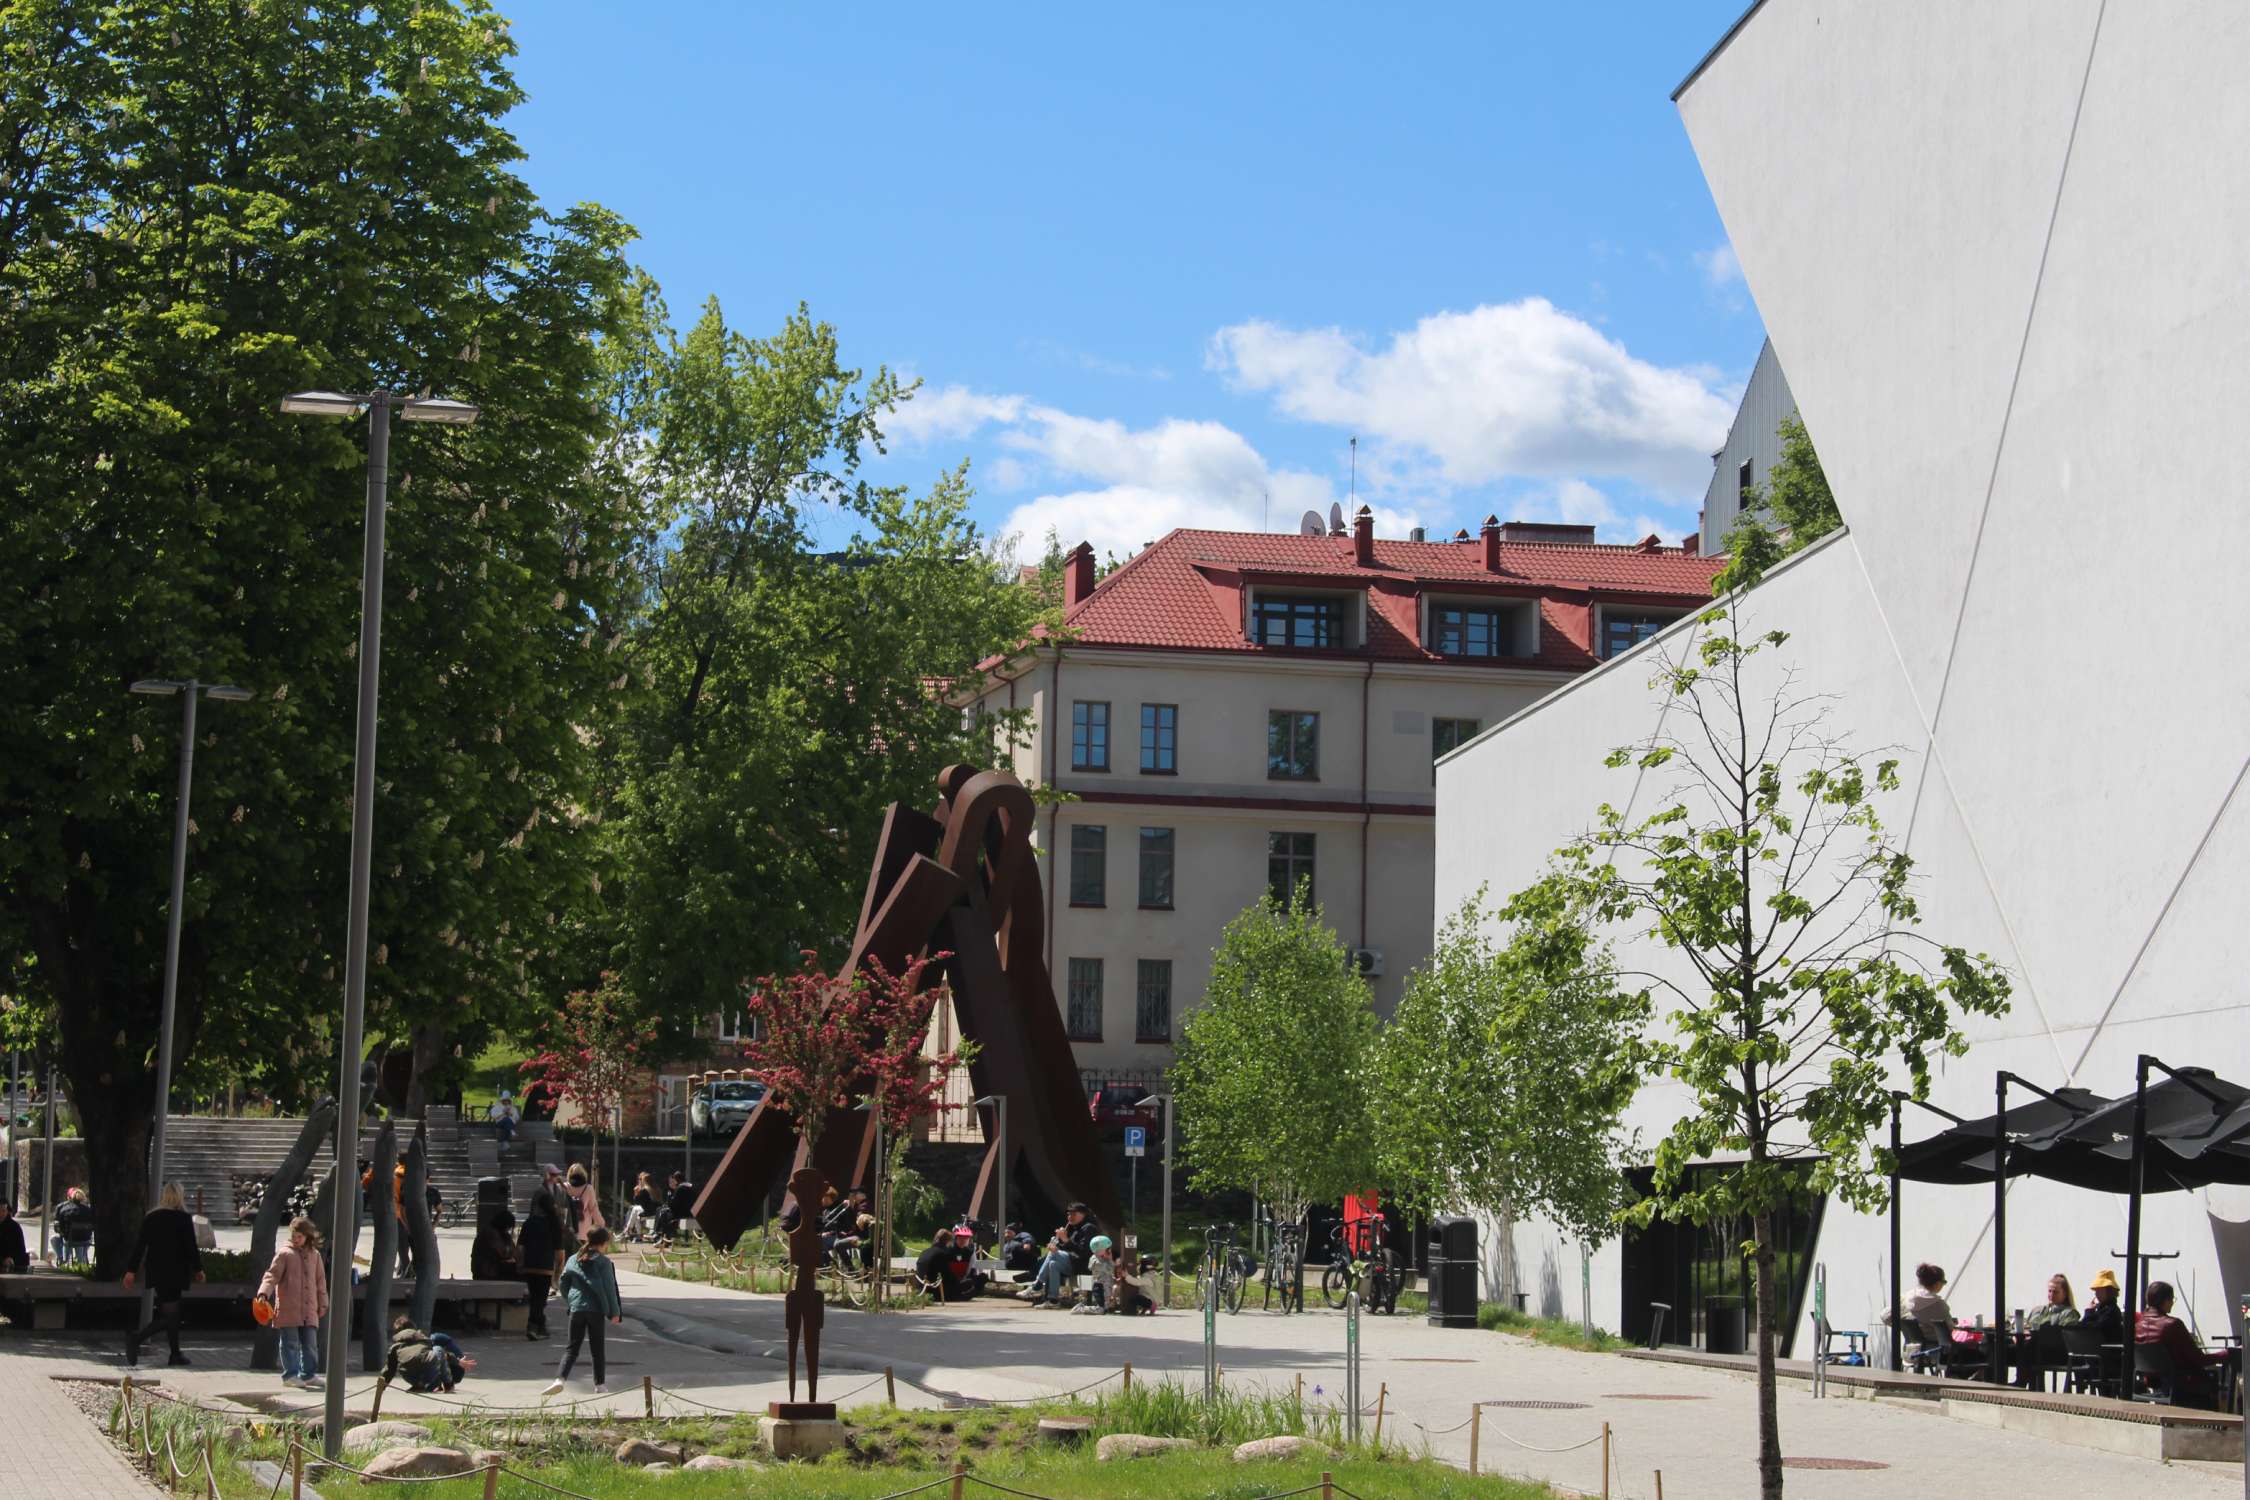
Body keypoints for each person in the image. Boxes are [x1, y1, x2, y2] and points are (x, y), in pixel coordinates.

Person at [122, 1182, 205, 1367]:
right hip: (176, 1270)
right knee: (171, 1315)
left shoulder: (151, 1217)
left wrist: (131, 1271)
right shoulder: (183, 1218)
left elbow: (140, 1245)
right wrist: (198, 1269)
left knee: (171, 1312)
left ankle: (175, 1354)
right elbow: (190, 1247)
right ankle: (137, 1338)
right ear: (180, 1196)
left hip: (157, 1270)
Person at [542, 1226, 622, 1398]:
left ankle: (559, 1380)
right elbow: (609, 1289)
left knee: (571, 1349)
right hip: (595, 1310)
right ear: (603, 1243)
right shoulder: (604, 1262)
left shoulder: (574, 1259)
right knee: (597, 1349)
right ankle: (600, 1385)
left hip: (577, 1308)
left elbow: (563, 1282)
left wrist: (570, 1298)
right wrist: (615, 1312)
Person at [255, 1216, 329, 1389]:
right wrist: (263, 1293)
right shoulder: (284, 1254)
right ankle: (291, 1375)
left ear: (308, 1237)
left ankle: (308, 1374)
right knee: (290, 1343)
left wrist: (323, 1302)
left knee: (310, 1344)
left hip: (309, 1309)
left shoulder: (315, 1256)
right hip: (289, 1308)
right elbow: (271, 1276)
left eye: (300, 1237)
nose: (296, 1240)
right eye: (294, 1236)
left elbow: (320, 1281)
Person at [2135, 1281, 2234, 1409]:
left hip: (2155, 1382)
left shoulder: (2137, 1326)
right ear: (2165, 1301)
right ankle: (2215, 1422)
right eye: (2172, 1299)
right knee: (2212, 1376)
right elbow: (2199, 1359)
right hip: (2181, 1384)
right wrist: (2227, 1353)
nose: (2172, 1303)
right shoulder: (2172, 1325)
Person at [1030, 1203, 1097, 1308]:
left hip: (1082, 1264)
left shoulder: (1089, 1228)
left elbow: (1084, 1252)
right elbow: (1069, 1248)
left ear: (1083, 1214)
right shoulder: (1076, 1229)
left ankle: (1037, 1284)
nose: (1070, 1217)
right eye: (1069, 1214)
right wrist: (1058, 1244)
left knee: (1053, 1254)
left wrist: (1065, 1240)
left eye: (1074, 1214)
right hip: (1072, 1264)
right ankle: (1053, 1300)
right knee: (1053, 1264)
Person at [382, 1314, 471, 1393]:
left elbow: (389, 1370)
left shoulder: (395, 1346)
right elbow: (441, 1354)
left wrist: (381, 1386)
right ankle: (448, 1385)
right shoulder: (422, 1338)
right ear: (413, 1328)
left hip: (409, 1377)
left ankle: (419, 1385)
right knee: (437, 1349)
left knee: (421, 1363)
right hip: (428, 1373)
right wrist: (456, 1361)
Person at [519, 1187, 564, 1340]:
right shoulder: (554, 1225)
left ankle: (540, 1327)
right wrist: (557, 1273)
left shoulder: (529, 1222)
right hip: (545, 1268)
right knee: (540, 1299)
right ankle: (533, 1326)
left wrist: (520, 1263)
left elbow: (520, 1247)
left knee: (534, 1298)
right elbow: (560, 1253)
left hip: (529, 1266)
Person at [915, 1227, 983, 1302]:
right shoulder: (942, 1254)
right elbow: (948, 1276)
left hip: (922, 1290)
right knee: (977, 1281)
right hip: (937, 1293)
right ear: (948, 1241)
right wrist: (963, 1283)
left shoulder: (925, 1252)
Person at [471, 1209, 520, 1283]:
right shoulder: (491, 1233)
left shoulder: (501, 1234)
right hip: (487, 1272)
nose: (509, 1229)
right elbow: (505, 1253)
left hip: (490, 1269)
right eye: (509, 1227)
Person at [1073, 1236, 1117, 1313]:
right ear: (1099, 1250)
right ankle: (1081, 1308)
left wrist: (1109, 1259)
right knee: (1101, 1309)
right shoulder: (1095, 1260)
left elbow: (1113, 1271)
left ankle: (1104, 1307)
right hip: (1100, 1288)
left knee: (1105, 1308)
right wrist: (1110, 1260)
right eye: (1107, 1249)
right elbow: (1110, 1270)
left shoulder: (1104, 1259)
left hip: (1107, 1288)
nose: (1110, 1251)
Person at [54, 1186, 95, 1265]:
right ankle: (80, 1263)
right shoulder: (89, 1210)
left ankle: (65, 1261)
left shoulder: (64, 1210)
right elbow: (92, 1226)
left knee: (67, 1239)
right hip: (85, 1240)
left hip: (70, 1240)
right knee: (80, 1240)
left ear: (70, 1198)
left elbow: (61, 1228)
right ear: (83, 1198)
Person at [2082, 1267, 2125, 1341]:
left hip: (2107, 1351)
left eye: (2099, 1290)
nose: (2096, 1294)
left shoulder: (2111, 1311)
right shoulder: (2101, 1309)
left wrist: (2089, 1312)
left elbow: (2093, 1330)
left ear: (2108, 1290)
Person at [565, 1163, 605, 1238]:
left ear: (569, 1173)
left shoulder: (565, 1186)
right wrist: (601, 1224)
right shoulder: (588, 1188)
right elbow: (593, 1209)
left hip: (568, 1227)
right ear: (583, 1173)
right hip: (584, 1228)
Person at [622, 1173, 660, 1243]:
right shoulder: (656, 1189)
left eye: (641, 1180)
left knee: (635, 1211)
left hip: (649, 1212)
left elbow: (637, 1201)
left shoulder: (645, 1190)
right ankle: (630, 1231)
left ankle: (628, 1231)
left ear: (645, 1181)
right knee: (635, 1211)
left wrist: (636, 1193)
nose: (641, 1181)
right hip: (655, 1211)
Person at [0, 1198, 28, 1274]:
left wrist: (12, 1259)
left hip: (12, 1266)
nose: (1, 1214)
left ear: (8, 1211)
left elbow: (21, 1250)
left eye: (3, 1211)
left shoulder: (14, 1227)